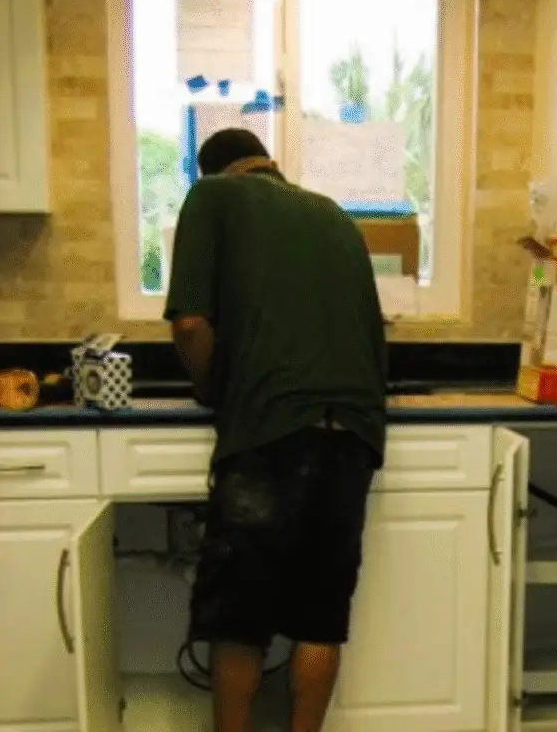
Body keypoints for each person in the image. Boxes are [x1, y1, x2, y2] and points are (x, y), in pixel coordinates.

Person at [163, 128, 388, 732]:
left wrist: (215, 389)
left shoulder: (213, 197)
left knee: (240, 618)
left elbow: (188, 325)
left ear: (216, 171)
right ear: (268, 163)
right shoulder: (336, 216)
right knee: (321, 617)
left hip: (270, 429)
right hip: (354, 432)